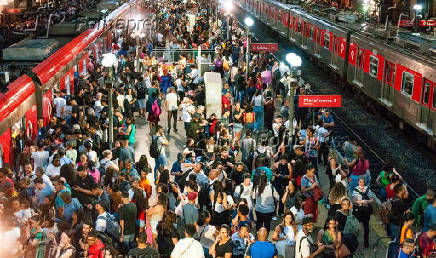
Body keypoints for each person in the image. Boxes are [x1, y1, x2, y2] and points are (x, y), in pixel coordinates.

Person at [352, 176, 376, 248]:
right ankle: (354, 242)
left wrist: (367, 201)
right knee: (356, 226)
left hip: (366, 210)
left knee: (366, 227)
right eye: (360, 182)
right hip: (358, 210)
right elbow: (353, 200)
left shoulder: (368, 189)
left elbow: (373, 199)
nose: (361, 183)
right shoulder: (356, 189)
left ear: (365, 182)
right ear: (358, 182)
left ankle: (366, 242)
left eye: (363, 182)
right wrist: (359, 201)